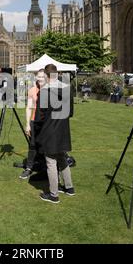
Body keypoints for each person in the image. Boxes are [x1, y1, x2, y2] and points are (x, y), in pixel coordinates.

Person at [37, 64, 75, 204]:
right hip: (63, 130)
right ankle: (69, 187)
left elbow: (39, 116)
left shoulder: (44, 91)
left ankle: (54, 194)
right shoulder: (67, 89)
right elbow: (70, 112)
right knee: (62, 157)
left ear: (47, 76)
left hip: (50, 130)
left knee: (51, 162)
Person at [19, 69, 47, 179]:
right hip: (34, 121)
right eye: (38, 76)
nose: (40, 79)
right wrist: (27, 124)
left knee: (45, 146)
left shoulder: (49, 90)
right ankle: (29, 168)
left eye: (42, 76)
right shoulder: (32, 90)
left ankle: (45, 168)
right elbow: (29, 108)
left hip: (46, 123)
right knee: (32, 145)